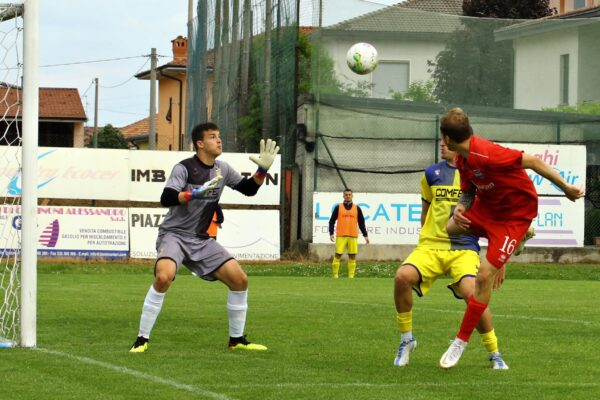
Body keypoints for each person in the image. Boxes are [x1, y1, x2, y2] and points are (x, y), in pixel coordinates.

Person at [437, 108, 584, 369]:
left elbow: (535, 162)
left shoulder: (489, 154)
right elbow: (468, 192)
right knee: (450, 227)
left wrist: (567, 188)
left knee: (483, 276)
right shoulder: (463, 158)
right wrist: (461, 207)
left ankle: (460, 340)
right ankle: (508, 246)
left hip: (514, 217)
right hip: (489, 208)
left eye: (442, 138)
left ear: (447, 138)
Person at [130, 122, 279, 353]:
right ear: (200, 144)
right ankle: (141, 340)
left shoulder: (223, 169)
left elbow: (249, 189)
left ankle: (236, 340)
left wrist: (262, 171)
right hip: (175, 236)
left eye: (219, 136)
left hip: (201, 239)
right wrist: (193, 194)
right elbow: (166, 197)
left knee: (240, 280)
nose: (218, 140)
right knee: (163, 277)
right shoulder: (185, 168)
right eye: (212, 137)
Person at [393, 142, 508, 369]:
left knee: (473, 295)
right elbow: (425, 213)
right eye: (441, 139)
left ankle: (494, 353)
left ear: (459, 142)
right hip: (431, 247)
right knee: (401, 277)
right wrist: (424, 242)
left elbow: (496, 218)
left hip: (464, 249)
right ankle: (407, 340)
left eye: (447, 140)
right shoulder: (431, 173)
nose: (442, 144)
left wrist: (499, 259)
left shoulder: (479, 175)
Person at [328, 189, 369, 278]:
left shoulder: (357, 208)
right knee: (338, 254)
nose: (348, 196)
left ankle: (351, 276)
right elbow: (331, 221)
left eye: (349, 194)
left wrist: (365, 235)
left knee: (352, 255)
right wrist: (331, 233)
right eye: (346, 194)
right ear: (343, 196)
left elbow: (361, 222)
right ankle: (335, 275)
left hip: (353, 235)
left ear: (352, 196)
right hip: (341, 235)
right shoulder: (338, 207)